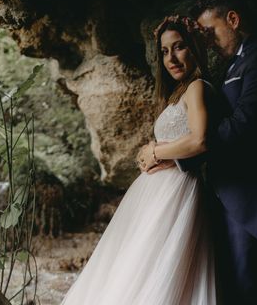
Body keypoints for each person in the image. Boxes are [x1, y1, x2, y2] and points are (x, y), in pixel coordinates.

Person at [148, 0, 257, 304]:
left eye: (210, 31)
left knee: (245, 293)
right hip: (224, 199)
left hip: (251, 201)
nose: (209, 41)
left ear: (233, 19)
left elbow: (246, 124)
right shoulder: (231, 67)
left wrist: (185, 150)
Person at [61, 15, 218, 305]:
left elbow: (200, 140)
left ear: (195, 46)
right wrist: (148, 152)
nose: (171, 57)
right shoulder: (178, 93)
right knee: (137, 267)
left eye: (179, 46)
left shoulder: (197, 87)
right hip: (157, 192)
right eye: (164, 51)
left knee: (154, 269)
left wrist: (156, 152)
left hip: (176, 192)